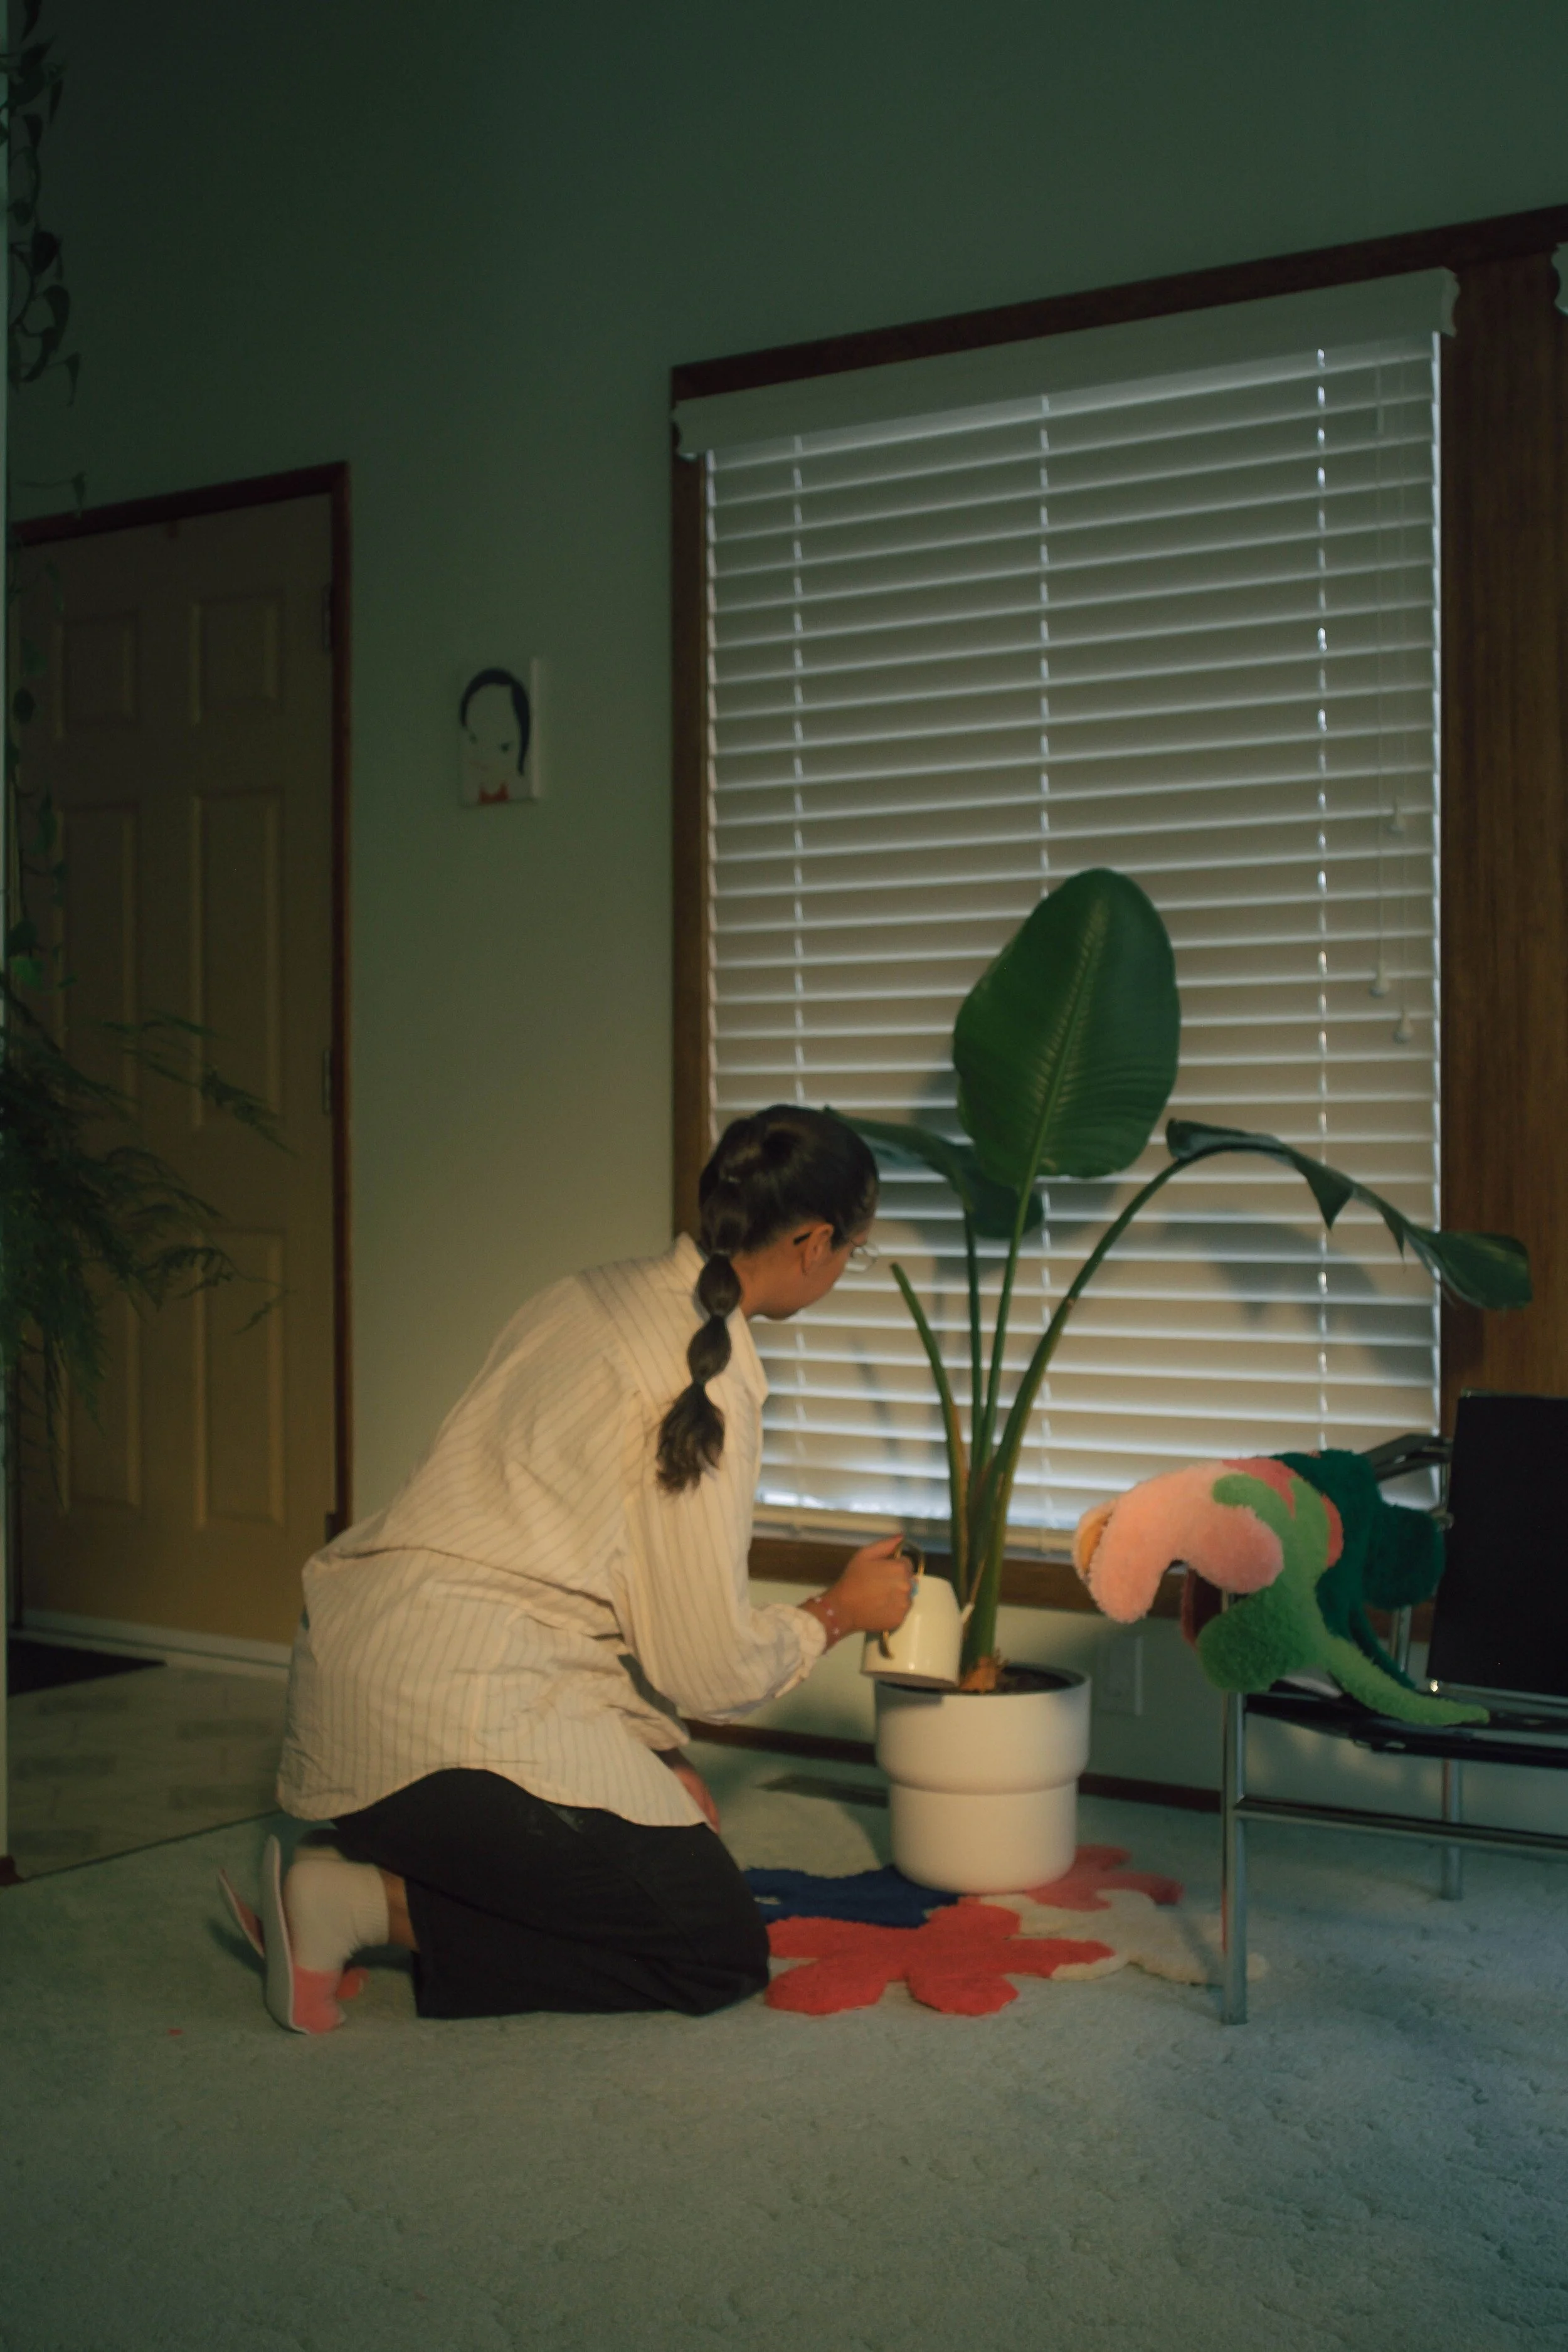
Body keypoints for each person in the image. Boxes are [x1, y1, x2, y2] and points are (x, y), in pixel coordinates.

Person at [220, 1105, 914, 2033]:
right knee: (715, 1945)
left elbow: (558, 1564)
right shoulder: (708, 1382)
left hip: (352, 1692)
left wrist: (650, 1752)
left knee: (651, 1840)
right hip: (448, 1732)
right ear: (816, 1241)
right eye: (854, 1253)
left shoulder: (586, 1292)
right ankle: (358, 1904)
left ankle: (368, 1865)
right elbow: (706, 1668)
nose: (843, 1266)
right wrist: (835, 1612)